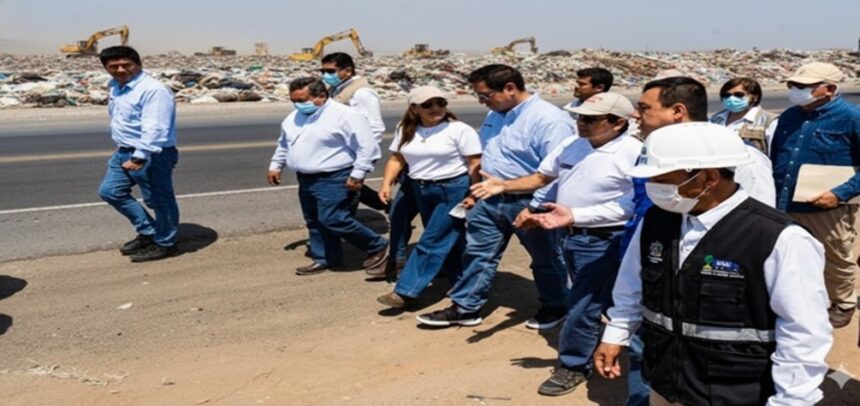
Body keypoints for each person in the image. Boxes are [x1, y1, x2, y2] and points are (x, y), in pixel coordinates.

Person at [592, 122, 832, 406]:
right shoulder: (656, 220)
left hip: (736, 395)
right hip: (665, 385)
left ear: (708, 178)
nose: (652, 187)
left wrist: (791, 401)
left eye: (663, 179)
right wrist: (615, 335)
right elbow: (632, 286)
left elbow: (803, 332)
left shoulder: (779, 238)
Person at [471, 92, 641, 396]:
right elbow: (544, 178)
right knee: (606, 299)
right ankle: (620, 343)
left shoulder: (634, 153)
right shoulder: (573, 144)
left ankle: (573, 365)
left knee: (583, 304)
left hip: (608, 239)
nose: (581, 123)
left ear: (617, 123)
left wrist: (577, 214)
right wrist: (507, 187)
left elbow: (632, 205)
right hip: (571, 236)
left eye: (590, 119)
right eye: (579, 116)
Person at [416, 64, 574, 329]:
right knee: (478, 253)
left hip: (530, 201)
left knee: (546, 259)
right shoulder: (495, 114)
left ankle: (556, 305)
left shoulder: (549, 120)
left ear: (510, 88)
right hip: (490, 199)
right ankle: (466, 306)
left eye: (486, 95)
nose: (481, 101)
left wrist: (535, 208)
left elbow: (557, 171)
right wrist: (475, 190)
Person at [267, 77, 388, 275]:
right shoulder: (294, 117)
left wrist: (358, 174)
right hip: (306, 179)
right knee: (314, 220)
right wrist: (276, 165)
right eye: (294, 100)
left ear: (321, 96)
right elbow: (284, 144)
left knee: (333, 218)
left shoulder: (345, 115)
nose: (298, 105)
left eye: (302, 100)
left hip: (335, 177)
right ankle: (325, 258)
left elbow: (367, 147)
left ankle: (377, 245)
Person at [771, 62, 860, 328]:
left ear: (829, 89)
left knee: (835, 255)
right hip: (786, 203)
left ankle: (842, 302)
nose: (795, 91)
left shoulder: (851, 117)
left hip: (829, 207)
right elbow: (777, 157)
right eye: (792, 86)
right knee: (791, 255)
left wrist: (840, 193)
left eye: (803, 86)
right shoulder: (789, 117)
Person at [376, 86, 482, 307]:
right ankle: (462, 282)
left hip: (452, 190)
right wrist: (386, 184)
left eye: (440, 103)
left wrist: (474, 193)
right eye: (428, 105)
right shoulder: (406, 128)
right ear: (414, 108)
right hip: (421, 189)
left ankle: (405, 291)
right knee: (450, 239)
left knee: (432, 239)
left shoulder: (459, 130)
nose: (436, 108)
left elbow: (474, 163)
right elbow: (397, 159)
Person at [633, 76, 776, 207]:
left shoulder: (741, 158)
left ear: (677, 111)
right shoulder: (652, 154)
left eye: (644, 108)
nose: (634, 114)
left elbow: (759, 217)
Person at [97, 46, 180, 263]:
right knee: (110, 191)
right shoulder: (115, 86)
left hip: (151, 154)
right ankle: (149, 232)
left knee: (158, 200)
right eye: (114, 66)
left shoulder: (153, 90)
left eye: (126, 64)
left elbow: (156, 127)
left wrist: (139, 155)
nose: (121, 69)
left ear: (138, 64)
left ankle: (165, 242)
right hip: (124, 151)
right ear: (106, 68)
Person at [320, 52, 388, 212]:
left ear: (348, 71)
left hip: (355, 153)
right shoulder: (336, 89)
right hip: (340, 151)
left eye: (330, 71)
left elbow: (375, 127)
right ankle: (392, 207)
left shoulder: (362, 93)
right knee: (351, 186)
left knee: (348, 194)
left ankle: (349, 228)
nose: (326, 75)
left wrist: (363, 158)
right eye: (323, 71)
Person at [709, 77, 778, 154]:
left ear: (755, 97)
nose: (731, 98)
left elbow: (775, 152)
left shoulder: (768, 121)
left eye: (739, 95)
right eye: (727, 95)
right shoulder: (716, 119)